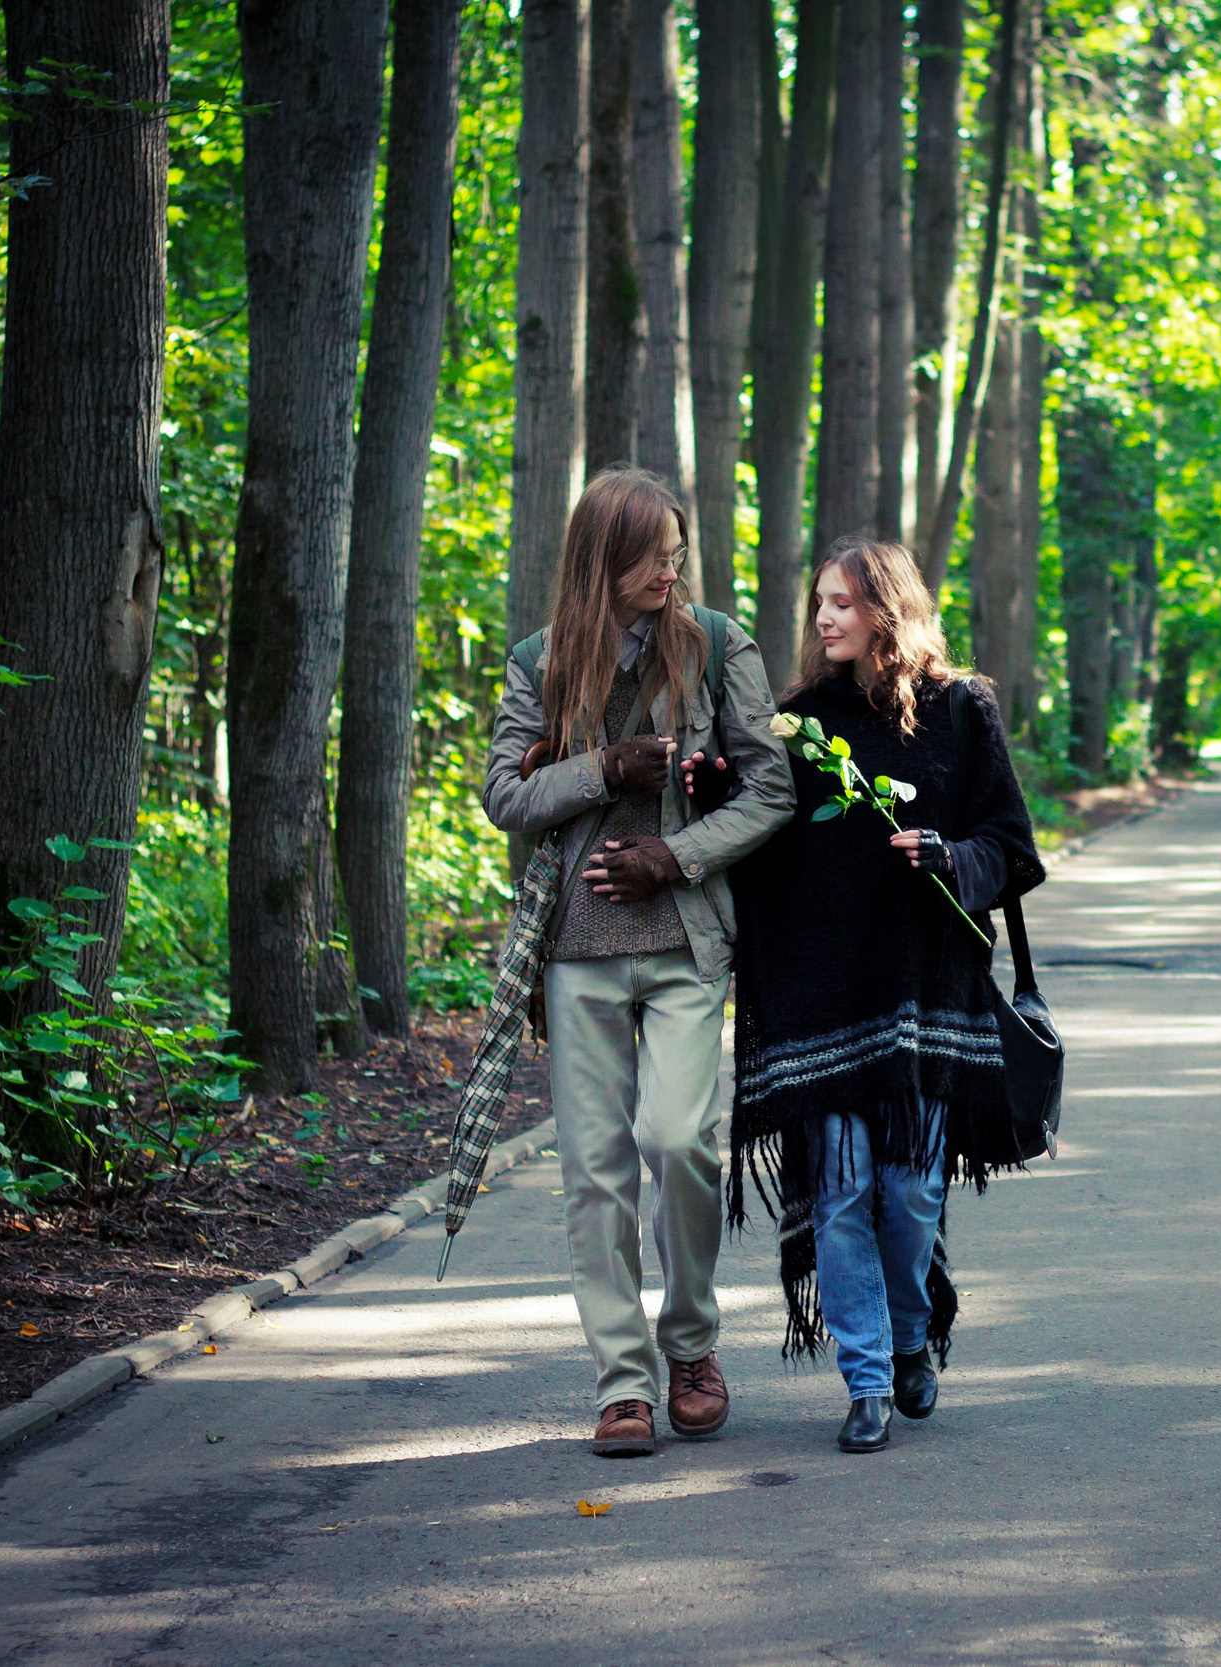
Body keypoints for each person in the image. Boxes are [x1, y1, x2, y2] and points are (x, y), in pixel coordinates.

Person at [482, 467, 793, 1458]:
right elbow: (504, 796)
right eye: (654, 552)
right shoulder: (540, 660)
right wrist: (600, 770)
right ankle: (623, 1382)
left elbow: (770, 788)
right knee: (596, 1173)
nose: (673, 566)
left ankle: (692, 1344)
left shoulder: (715, 642)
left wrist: (676, 854)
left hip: (686, 940)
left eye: (677, 548)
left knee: (676, 1140)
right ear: (605, 559)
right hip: (576, 951)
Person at [717, 536, 1045, 1454]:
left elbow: (1011, 848)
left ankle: (913, 1334)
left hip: (925, 993)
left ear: (886, 612)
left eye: (842, 603)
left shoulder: (960, 710)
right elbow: (759, 838)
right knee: (843, 1191)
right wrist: (712, 791)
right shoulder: (796, 719)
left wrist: (949, 856)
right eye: (819, 601)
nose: (824, 617)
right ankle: (865, 1381)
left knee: (907, 1196)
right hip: (819, 996)